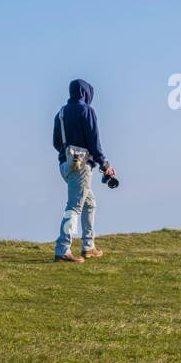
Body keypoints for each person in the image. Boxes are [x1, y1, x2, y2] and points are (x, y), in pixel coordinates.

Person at [52, 79, 115, 263]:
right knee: (74, 207)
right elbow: (94, 142)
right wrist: (105, 165)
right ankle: (63, 249)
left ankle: (89, 246)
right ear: (86, 93)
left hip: (65, 164)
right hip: (81, 166)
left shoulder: (61, 113)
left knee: (90, 203)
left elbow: (56, 142)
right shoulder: (87, 111)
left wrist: (68, 155)